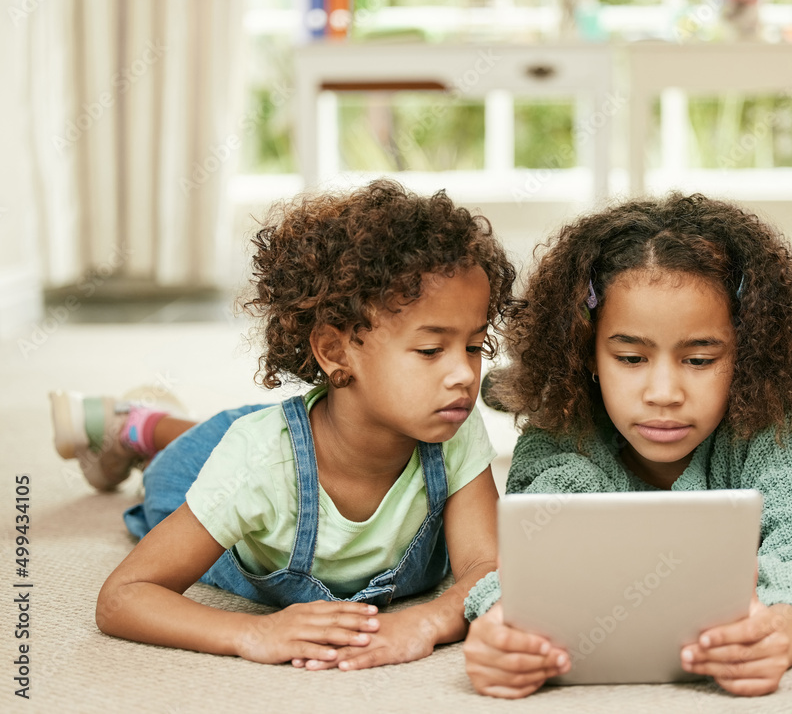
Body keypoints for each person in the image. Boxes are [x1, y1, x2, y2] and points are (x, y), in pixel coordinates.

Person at [51, 179, 518, 671]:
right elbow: (123, 596)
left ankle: (144, 421)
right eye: (430, 350)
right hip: (209, 464)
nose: (465, 375)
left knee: (247, 435)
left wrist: (428, 622)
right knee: (188, 457)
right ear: (336, 351)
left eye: (474, 346)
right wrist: (251, 632)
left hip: (304, 430)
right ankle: (137, 428)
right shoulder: (254, 460)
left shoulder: (453, 429)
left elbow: (487, 568)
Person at [462, 193, 792, 698]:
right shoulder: (561, 423)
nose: (663, 395)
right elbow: (538, 559)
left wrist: (783, 628)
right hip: (577, 403)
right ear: (587, 351)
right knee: (536, 393)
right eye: (632, 358)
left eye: (699, 360)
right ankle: (513, 385)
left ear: (746, 354)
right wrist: (502, 622)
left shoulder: (784, 415)